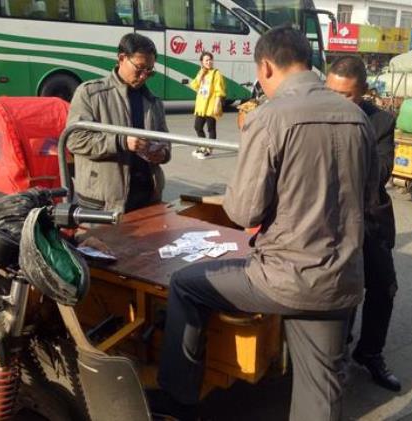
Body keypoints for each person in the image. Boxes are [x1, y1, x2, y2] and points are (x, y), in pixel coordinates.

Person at [151, 26, 380, 421]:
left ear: (267, 66)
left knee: (187, 285)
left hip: (283, 277)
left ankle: (179, 399)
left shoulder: (270, 117)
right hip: (341, 277)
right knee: (320, 386)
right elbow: (370, 197)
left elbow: (244, 212)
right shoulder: (357, 117)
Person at [326, 56, 402, 392]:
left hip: (369, 218)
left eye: (346, 96)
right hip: (326, 220)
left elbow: (381, 172)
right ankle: (335, 352)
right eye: (331, 92)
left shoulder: (381, 121)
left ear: (364, 92)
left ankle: (370, 353)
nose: (336, 101)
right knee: (339, 292)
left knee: (384, 286)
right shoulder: (313, 115)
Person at [67, 33, 170, 213]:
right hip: (104, 201)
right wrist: (121, 142)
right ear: (122, 58)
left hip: (147, 197)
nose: (144, 75)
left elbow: (165, 140)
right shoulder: (90, 94)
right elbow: (75, 140)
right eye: (140, 68)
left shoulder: (153, 102)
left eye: (150, 71)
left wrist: (162, 154)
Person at [190, 52, 226, 159]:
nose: (209, 62)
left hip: (211, 105)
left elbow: (219, 90)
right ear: (202, 62)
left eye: (210, 59)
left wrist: (217, 104)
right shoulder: (201, 72)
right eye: (206, 60)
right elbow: (194, 86)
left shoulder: (216, 73)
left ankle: (209, 150)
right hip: (201, 106)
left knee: (211, 128)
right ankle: (202, 146)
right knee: (197, 127)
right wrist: (200, 76)